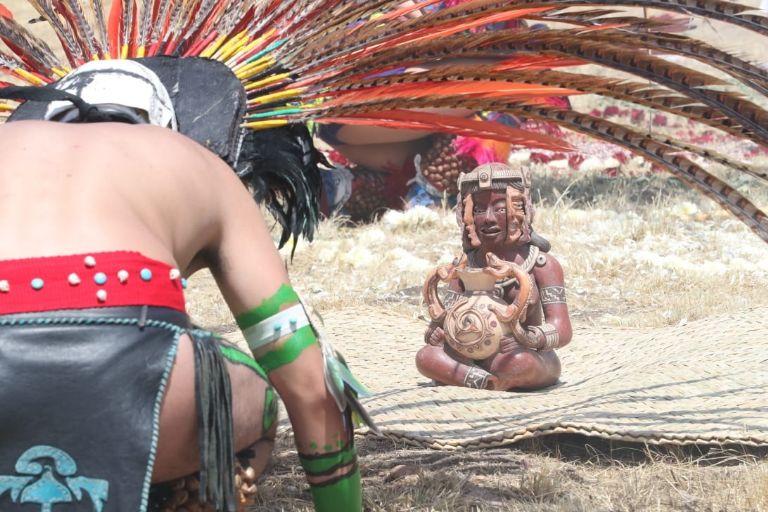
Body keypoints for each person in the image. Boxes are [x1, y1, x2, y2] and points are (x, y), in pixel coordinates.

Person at [0, 60, 364, 512]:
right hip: (141, 388)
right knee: (256, 399)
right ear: (163, 122)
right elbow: (307, 382)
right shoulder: (198, 163)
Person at [416, 163, 572, 391]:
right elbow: (443, 320)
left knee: (521, 363)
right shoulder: (463, 266)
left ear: (521, 210)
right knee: (426, 357)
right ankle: (487, 381)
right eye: (478, 210)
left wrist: (528, 337)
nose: (488, 218)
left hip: (521, 354)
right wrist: (436, 333)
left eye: (499, 209)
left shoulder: (542, 265)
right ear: (466, 215)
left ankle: (469, 378)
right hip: (468, 352)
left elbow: (562, 328)